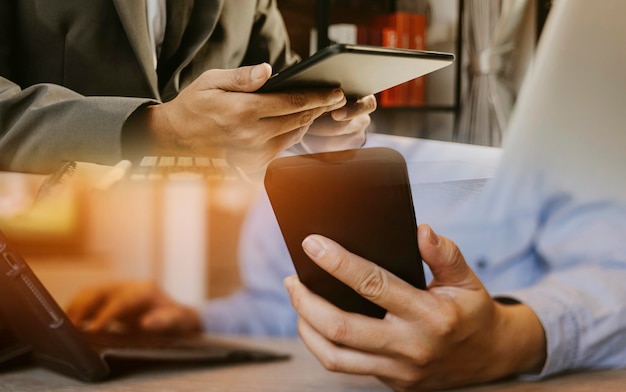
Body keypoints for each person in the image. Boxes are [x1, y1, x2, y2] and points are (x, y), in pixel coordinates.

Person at [67, 0, 626, 390]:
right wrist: (192, 318)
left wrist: (514, 337)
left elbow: (614, 273)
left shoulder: (572, 130)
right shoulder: (285, 176)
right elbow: (282, 307)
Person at [0, 0, 375, 174]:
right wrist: (159, 129)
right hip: (50, 239)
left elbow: (283, 79)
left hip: (211, 247)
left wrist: (327, 122)